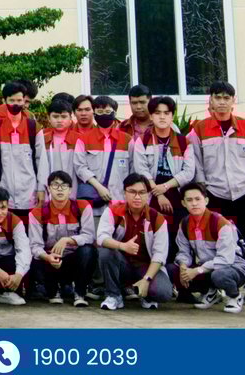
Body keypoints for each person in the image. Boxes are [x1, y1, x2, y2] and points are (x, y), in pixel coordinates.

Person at [188, 81, 245, 303]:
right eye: (218, 97)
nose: (222, 102)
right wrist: (203, 189)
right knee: (212, 242)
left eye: (227, 98)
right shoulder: (200, 129)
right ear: (211, 100)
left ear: (233, 101)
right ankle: (213, 289)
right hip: (214, 194)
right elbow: (196, 162)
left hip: (243, 192)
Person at [96, 173, 175, 310]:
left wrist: (147, 279)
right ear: (124, 193)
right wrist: (122, 246)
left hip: (145, 267)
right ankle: (114, 295)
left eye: (142, 193)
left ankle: (144, 293)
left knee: (163, 292)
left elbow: (160, 255)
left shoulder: (157, 218)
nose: (137, 197)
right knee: (105, 252)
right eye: (132, 192)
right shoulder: (113, 211)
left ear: (148, 195)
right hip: (122, 265)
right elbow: (101, 237)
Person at [171, 181, 245, 313]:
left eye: (198, 199)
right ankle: (211, 292)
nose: (194, 203)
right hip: (208, 267)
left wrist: (197, 271)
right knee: (173, 270)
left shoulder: (220, 223)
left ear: (206, 200)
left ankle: (234, 296)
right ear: (183, 203)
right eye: (189, 200)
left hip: (235, 266)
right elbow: (183, 251)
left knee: (219, 275)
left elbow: (225, 259)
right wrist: (183, 267)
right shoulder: (184, 224)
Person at [131, 95, 194, 259]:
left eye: (166, 113)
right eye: (157, 113)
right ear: (151, 116)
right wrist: (158, 193)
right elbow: (141, 170)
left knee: (177, 236)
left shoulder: (183, 142)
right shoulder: (142, 141)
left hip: (176, 194)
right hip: (151, 196)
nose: (162, 117)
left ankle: (177, 270)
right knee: (152, 235)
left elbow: (188, 172)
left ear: (172, 116)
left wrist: (165, 187)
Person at [27, 171, 95, 305]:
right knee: (33, 258)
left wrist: (68, 240)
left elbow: (89, 236)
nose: (59, 189)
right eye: (55, 185)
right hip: (49, 260)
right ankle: (52, 290)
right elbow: (35, 246)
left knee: (89, 251)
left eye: (64, 185)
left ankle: (80, 293)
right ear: (48, 188)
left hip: (73, 260)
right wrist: (47, 257)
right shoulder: (37, 212)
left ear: (70, 190)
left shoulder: (82, 207)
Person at [0, 83, 40, 215]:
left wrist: (41, 188)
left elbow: (41, 159)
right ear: (4, 101)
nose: (16, 104)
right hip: (4, 187)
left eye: (19, 100)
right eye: (12, 100)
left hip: (29, 189)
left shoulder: (33, 126)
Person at [75, 96, 129, 209]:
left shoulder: (127, 140)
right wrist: (99, 187)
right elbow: (80, 167)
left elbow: (134, 170)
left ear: (115, 113)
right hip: (94, 202)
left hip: (120, 202)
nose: (104, 115)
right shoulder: (83, 140)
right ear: (94, 113)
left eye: (108, 112)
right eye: (99, 112)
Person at [37, 95, 80, 197]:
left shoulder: (79, 139)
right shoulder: (42, 138)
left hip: (73, 190)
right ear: (49, 118)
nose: (60, 120)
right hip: (49, 191)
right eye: (55, 116)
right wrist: (40, 189)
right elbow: (39, 166)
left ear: (71, 118)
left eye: (64, 117)